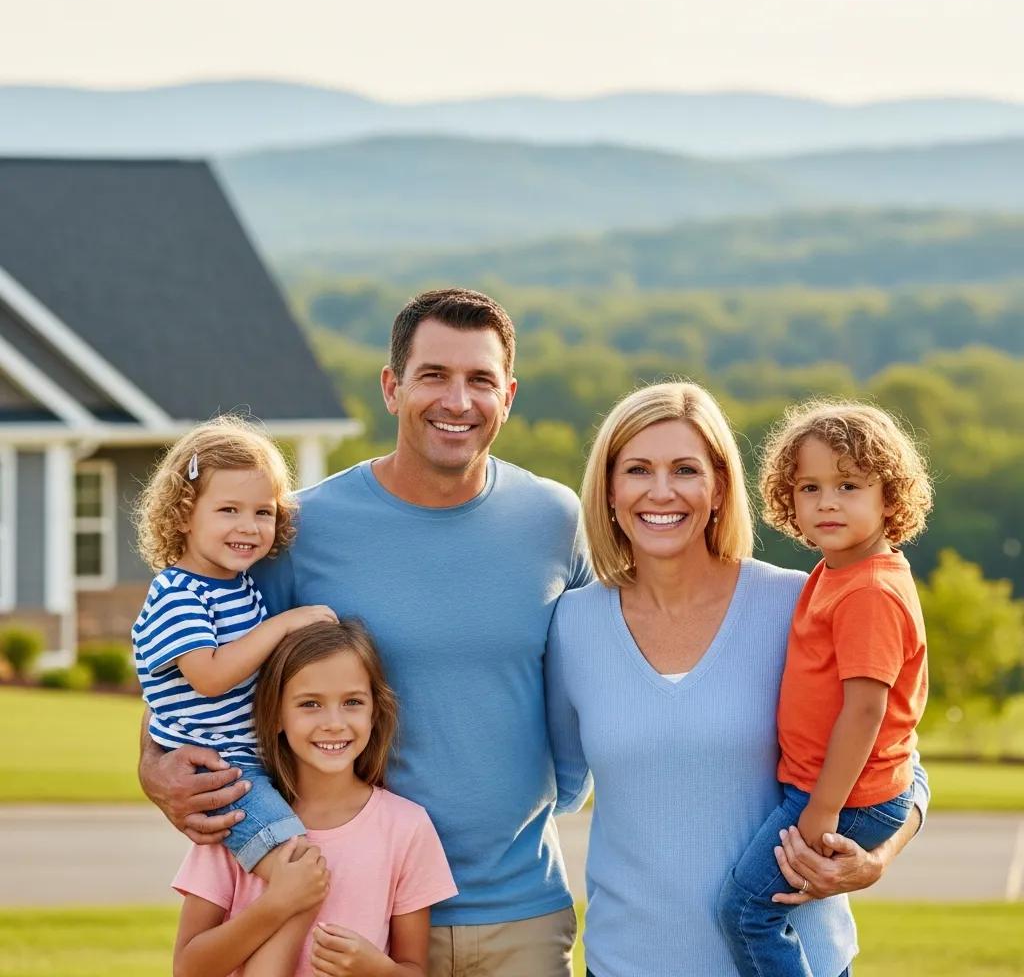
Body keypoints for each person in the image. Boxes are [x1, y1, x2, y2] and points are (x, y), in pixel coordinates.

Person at [140, 289, 591, 977]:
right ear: (392, 386)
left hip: (519, 911)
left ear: (510, 394)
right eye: (434, 375)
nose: (457, 400)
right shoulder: (299, 529)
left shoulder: (555, 521)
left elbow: (600, 669)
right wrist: (152, 765)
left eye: (480, 380)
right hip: (351, 910)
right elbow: (199, 664)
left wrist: (566, 790)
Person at [544, 381, 929, 977]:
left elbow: (901, 756)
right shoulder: (571, 624)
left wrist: (879, 857)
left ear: (720, 487)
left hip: (803, 957)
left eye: (686, 469)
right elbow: (554, 789)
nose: (662, 491)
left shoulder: (793, 603)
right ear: (610, 490)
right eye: (638, 469)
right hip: (629, 962)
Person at [718, 401, 932, 976]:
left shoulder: (868, 593)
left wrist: (822, 811)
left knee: (745, 912)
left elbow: (866, 710)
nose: (827, 502)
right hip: (829, 789)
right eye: (809, 487)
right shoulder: (837, 571)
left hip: (847, 799)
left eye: (849, 485)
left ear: (890, 498)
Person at [173, 619, 457, 977]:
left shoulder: (406, 828)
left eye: (352, 702)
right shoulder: (233, 816)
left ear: (375, 712)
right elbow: (188, 968)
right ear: (276, 715)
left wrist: (375, 969)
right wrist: (277, 904)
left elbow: (413, 969)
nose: (334, 722)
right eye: (310, 704)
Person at [132, 415, 337, 886]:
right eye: (228, 510)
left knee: (295, 873)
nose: (249, 526)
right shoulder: (179, 593)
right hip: (219, 768)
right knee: (298, 873)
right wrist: (286, 623)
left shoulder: (238, 586)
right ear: (183, 514)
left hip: (250, 758)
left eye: (263, 512)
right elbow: (209, 676)